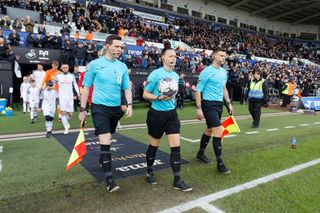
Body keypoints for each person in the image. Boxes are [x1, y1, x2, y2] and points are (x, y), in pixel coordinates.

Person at [79, 35, 133, 193]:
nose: (120, 50)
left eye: (121, 47)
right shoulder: (95, 65)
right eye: (117, 46)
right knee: (105, 139)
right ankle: (109, 179)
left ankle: (103, 159)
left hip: (115, 109)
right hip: (99, 107)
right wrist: (83, 110)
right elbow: (86, 88)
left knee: (109, 137)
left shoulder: (122, 66)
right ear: (108, 46)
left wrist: (129, 104)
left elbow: (127, 88)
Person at [143, 47, 192, 192]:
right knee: (154, 146)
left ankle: (177, 180)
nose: (173, 58)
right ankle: (149, 170)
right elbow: (146, 94)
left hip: (172, 115)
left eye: (175, 56)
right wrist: (159, 97)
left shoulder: (176, 76)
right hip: (156, 115)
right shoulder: (156, 74)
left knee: (176, 148)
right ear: (162, 57)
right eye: (170, 56)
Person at [194, 48, 234, 174]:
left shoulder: (223, 72)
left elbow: (224, 89)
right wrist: (199, 108)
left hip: (219, 104)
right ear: (214, 56)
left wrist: (228, 104)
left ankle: (200, 154)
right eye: (221, 55)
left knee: (209, 129)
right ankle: (220, 163)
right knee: (218, 130)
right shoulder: (207, 72)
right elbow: (198, 90)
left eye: (225, 56)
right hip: (208, 104)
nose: (223, 58)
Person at [55, 63, 80, 134]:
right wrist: (54, 93)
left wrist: (78, 93)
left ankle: (66, 122)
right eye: (64, 67)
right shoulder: (58, 76)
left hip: (69, 97)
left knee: (70, 114)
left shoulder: (71, 76)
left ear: (68, 68)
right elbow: (53, 84)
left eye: (66, 67)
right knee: (63, 113)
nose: (65, 69)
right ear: (61, 68)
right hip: (61, 97)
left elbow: (75, 84)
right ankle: (66, 128)